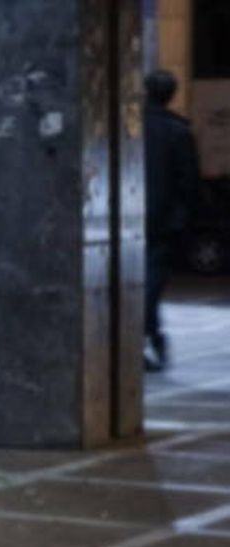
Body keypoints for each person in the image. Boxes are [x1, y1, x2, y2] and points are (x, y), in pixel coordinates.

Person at [143, 69, 202, 372]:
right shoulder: (178, 132)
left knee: (139, 282)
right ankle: (149, 334)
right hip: (164, 220)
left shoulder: (131, 127)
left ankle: (149, 335)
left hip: (130, 216)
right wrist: (187, 217)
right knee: (151, 281)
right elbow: (188, 181)